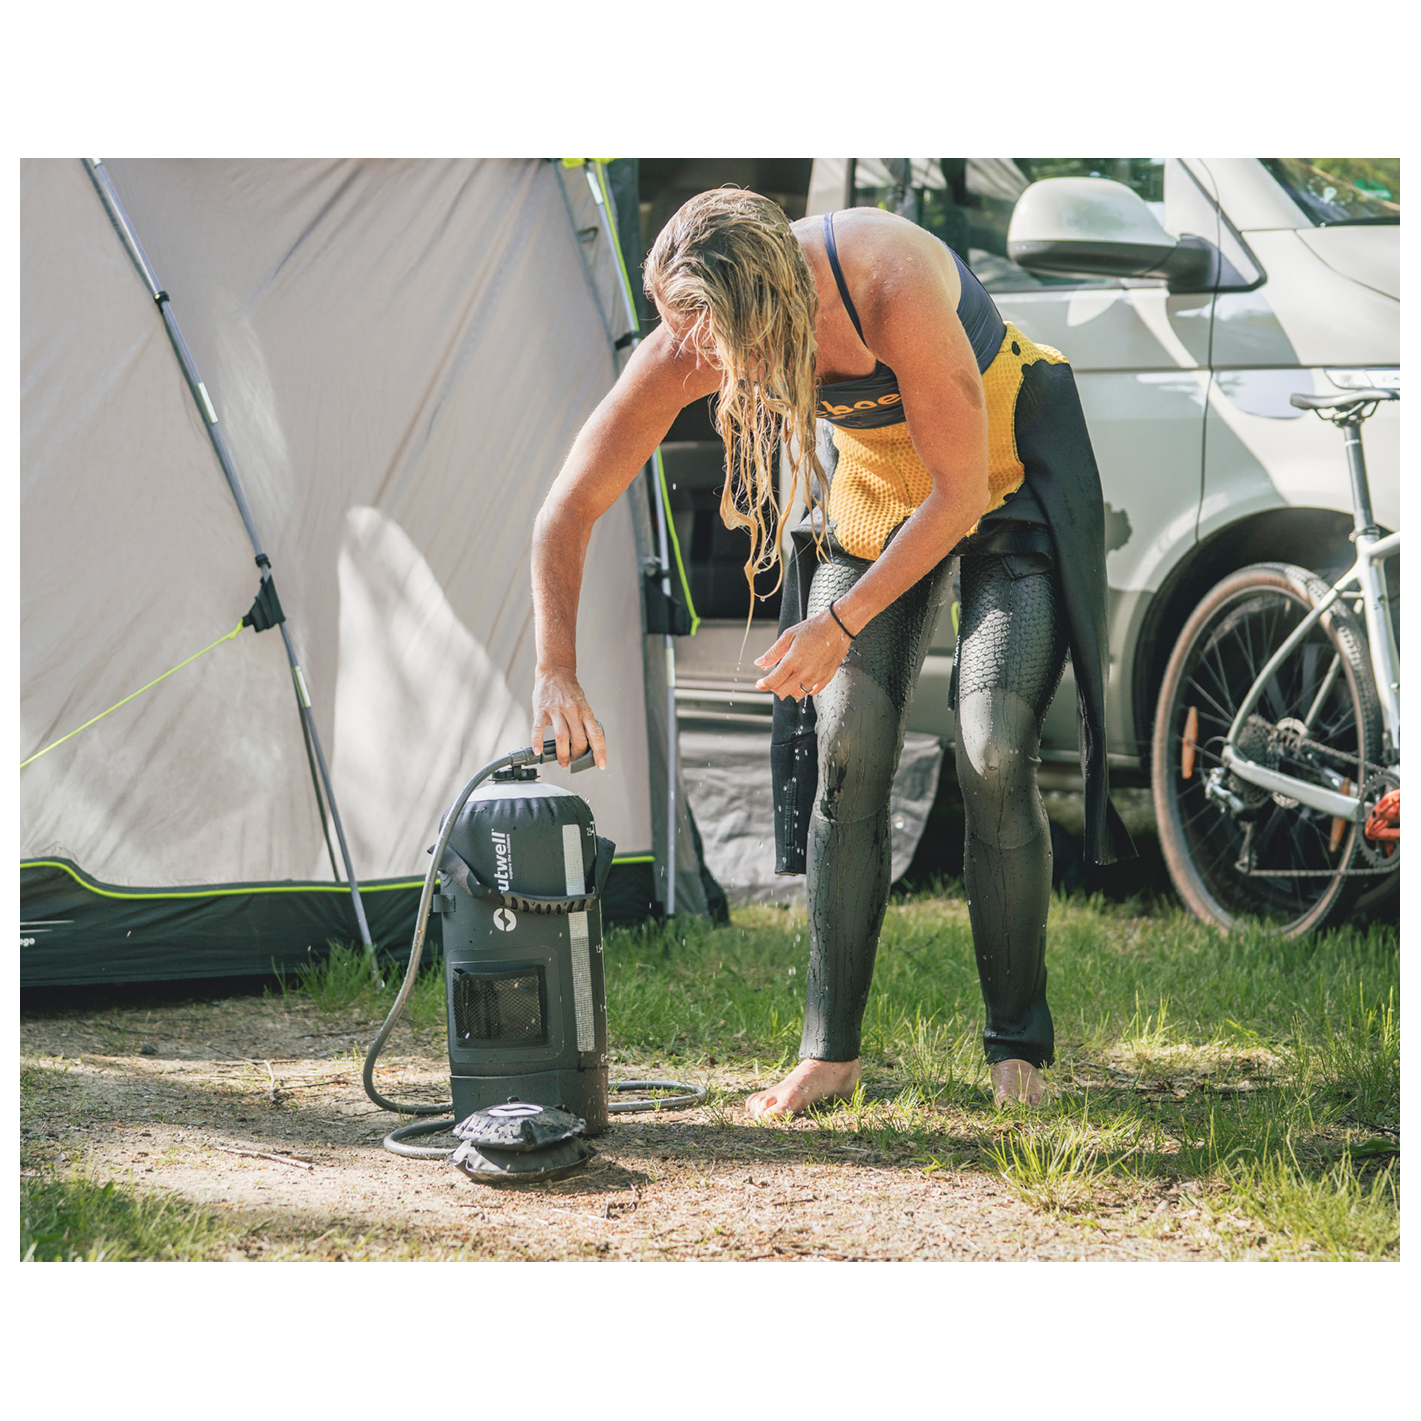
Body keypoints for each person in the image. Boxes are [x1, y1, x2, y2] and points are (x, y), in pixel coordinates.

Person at [530, 187, 1133, 1117]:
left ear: (772, 301)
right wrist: (555, 670)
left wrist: (838, 623)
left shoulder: (887, 282)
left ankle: (1016, 1048)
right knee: (846, 743)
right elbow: (568, 505)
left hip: (1002, 476)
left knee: (992, 748)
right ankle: (829, 1054)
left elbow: (957, 495)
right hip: (878, 498)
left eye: (716, 336)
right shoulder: (692, 336)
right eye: (682, 328)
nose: (698, 355)